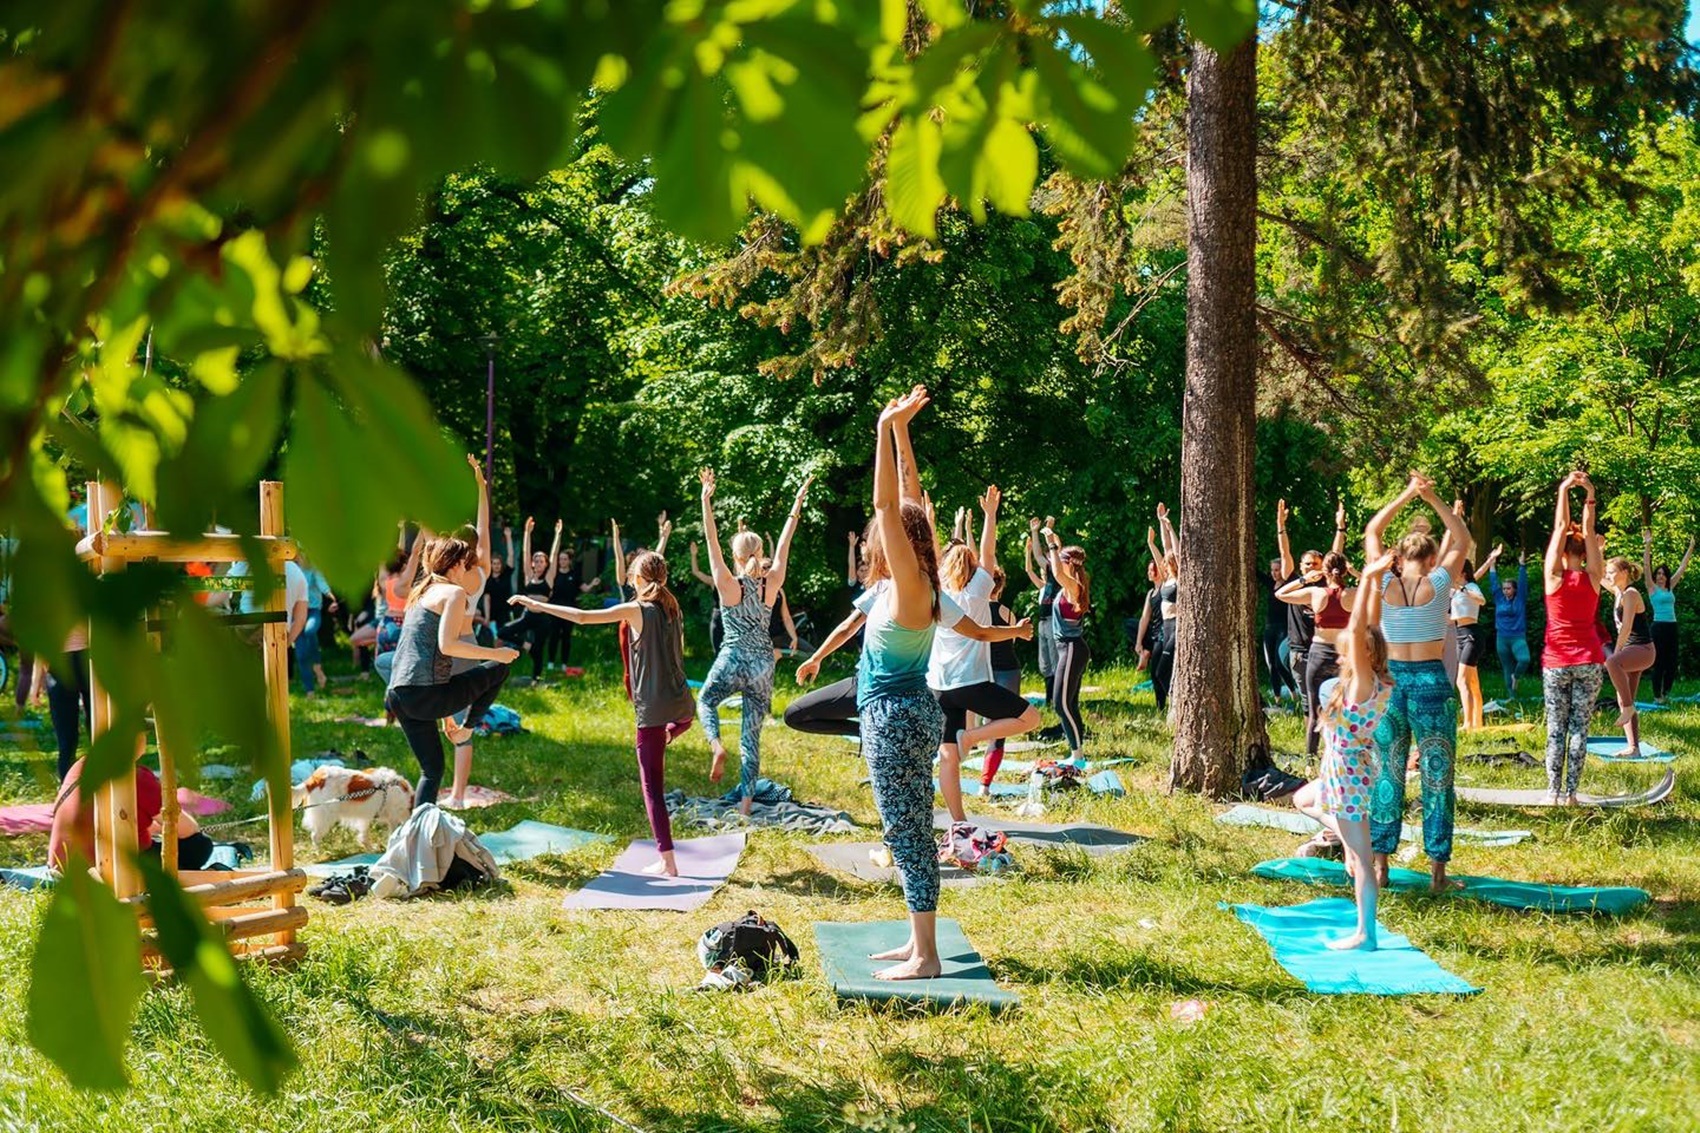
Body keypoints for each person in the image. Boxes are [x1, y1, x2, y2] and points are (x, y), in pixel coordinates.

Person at [511, 551, 694, 875]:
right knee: (666, 744)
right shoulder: (672, 608)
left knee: (652, 786)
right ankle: (672, 731)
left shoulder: (637, 610)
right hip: (681, 706)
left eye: (632, 574)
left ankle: (668, 862)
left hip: (653, 711)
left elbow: (583, 617)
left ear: (639, 579)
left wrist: (539, 606)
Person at [858, 386, 953, 981]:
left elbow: (893, 508)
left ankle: (927, 956)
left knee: (907, 831)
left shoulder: (913, 584)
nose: (878, 535)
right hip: (909, 712)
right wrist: (901, 432)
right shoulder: (920, 577)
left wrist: (880, 428)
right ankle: (917, 942)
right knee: (912, 826)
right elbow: (912, 502)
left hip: (895, 718)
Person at [1363, 471, 1471, 892]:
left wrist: (1407, 494)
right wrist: (1432, 497)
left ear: (1399, 557)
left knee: (1387, 772)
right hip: (1429, 683)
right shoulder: (1439, 583)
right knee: (1437, 776)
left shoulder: (1385, 581)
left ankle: (1381, 866)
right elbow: (1459, 538)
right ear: (1430, 559)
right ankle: (1438, 873)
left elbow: (1374, 529)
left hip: (1390, 684)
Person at [1291, 547, 1396, 950]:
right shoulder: (1365, 681)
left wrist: (1368, 577)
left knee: (1361, 864)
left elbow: (1358, 629)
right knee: (1303, 798)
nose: (1344, 644)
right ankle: (1347, 841)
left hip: (1349, 774)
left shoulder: (1362, 685)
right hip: (1340, 770)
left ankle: (1365, 934)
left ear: (1365, 654)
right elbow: (1365, 627)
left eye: (1352, 645)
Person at [696, 469, 811, 814]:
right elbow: (788, 538)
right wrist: (797, 502)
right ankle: (746, 807)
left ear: (735, 556)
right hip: (763, 663)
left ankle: (716, 746)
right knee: (751, 737)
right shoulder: (771, 582)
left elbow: (711, 539)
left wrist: (706, 499)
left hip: (733, 657)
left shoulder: (727, 583)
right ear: (761, 552)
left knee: (705, 701)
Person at [383, 535, 517, 808]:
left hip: (399, 697)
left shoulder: (422, 592)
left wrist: (445, 716)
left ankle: (418, 838)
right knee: (499, 668)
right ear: (456, 565)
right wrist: (495, 654)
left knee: (431, 772)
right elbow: (449, 646)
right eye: (468, 566)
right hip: (424, 694)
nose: (471, 573)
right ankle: (468, 729)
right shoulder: (453, 593)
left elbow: (428, 656)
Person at [931, 485, 1038, 822]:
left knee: (948, 756)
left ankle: (959, 822)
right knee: (1030, 718)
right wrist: (991, 516)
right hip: (970, 682)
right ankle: (973, 736)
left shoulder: (937, 593)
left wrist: (930, 522)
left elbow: (930, 557)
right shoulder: (978, 591)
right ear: (973, 569)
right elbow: (989, 553)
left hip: (936, 684)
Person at [1541, 471, 1606, 803]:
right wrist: (1589, 495)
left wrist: (1564, 489)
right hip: (1590, 661)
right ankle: (1572, 793)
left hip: (1556, 663)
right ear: (1585, 551)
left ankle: (1552, 794)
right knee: (1580, 729)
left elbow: (1558, 527)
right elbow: (1590, 530)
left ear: (1563, 550)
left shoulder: (1553, 577)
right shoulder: (1595, 578)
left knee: (1557, 729)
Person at [49, 754, 214, 873]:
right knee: (199, 846)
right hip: (106, 870)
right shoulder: (135, 776)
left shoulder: (82, 764)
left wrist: (154, 828)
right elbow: (188, 829)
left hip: (61, 865)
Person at [1276, 550, 1356, 768]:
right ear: (1343, 570)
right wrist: (1355, 572)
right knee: (1345, 708)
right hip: (1343, 655)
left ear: (1325, 571)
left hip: (1319, 654)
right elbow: (1378, 591)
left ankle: (1310, 760)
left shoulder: (1316, 593)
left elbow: (1280, 594)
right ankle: (1344, 757)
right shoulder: (1353, 593)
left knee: (1314, 710)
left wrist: (1303, 579)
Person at [1043, 530, 1091, 764]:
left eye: (1061, 558)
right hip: (1070, 649)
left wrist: (1053, 546)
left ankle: (1077, 754)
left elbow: (1056, 571)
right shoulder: (1069, 585)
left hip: (1072, 648)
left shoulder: (1073, 586)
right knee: (1069, 703)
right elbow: (1057, 568)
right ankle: (1077, 750)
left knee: (1060, 704)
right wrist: (1053, 543)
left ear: (1068, 564)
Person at [1603, 557, 1656, 757]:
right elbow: (1598, 575)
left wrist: (1617, 653)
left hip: (1643, 650)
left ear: (1624, 572)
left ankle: (1627, 708)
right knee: (1625, 696)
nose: (1608, 575)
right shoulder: (1619, 592)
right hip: (1632, 651)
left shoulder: (1631, 594)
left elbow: (1625, 628)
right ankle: (1634, 748)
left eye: (1612, 572)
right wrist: (1599, 551)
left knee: (1612, 663)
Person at [498, 517, 561, 683]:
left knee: (538, 651)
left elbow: (554, 555)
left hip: (542, 619)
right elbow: (526, 553)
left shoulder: (549, 578)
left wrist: (558, 534)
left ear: (546, 564)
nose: (538, 563)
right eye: (536, 561)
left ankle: (536, 679)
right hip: (527, 616)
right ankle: (526, 645)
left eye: (541, 561)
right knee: (503, 631)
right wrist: (527, 532)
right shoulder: (528, 576)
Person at [1642, 528, 1694, 701]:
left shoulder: (1670, 586)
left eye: (1664, 574)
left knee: (1671, 663)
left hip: (1672, 627)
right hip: (1658, 628)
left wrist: (1691, 546)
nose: (1661, 576)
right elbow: (1646, 566)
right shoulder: (1652, 588)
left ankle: (1666, 693)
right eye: (1659, 573)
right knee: (1659, 662)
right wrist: (1648, 544)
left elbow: (1683, 566)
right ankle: (1657, 696)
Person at [1452, 550, 1496, 731]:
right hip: (1460, 635)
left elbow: (1482, 600)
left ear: (1462, 572)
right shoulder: (1455, 590)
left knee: (1461, 681)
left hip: (1472, 635)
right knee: (1472, 682)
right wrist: (1489, 560)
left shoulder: (1470, 587)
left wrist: (1463, 588)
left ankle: (1468, 724)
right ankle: (1478, 721)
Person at [45, 625, 91, 780]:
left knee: (97, 732)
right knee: (67, 741)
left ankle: (102, 790)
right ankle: (68, 792)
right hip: (62, 661)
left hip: (88, 657)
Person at [1486, 546, 1530, 698]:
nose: (1505, 591)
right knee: (1507, 667)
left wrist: (1522, 565)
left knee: (1524, 659)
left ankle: (1516, 678)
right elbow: (1493, 582)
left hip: (1517, 636)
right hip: (1502, 638)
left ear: (1515, 590)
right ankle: (1512, 697)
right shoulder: (1499, 598)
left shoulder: (1520, 598)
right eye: (1504, 588)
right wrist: (1492, 563)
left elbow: (1523, 582)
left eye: (1508, 588)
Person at [1260, 557, 1299, 704]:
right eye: (1272, 570)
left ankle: (1293, 692)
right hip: (1269, 628)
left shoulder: (1290, 585)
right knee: (1271, 665)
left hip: (1284, 628)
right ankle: (1277, 699)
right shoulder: (1271, 584)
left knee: (1279, 663)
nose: (1274, 573)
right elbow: (1257, 573)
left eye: (1277, 570)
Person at [296, 555, 334, 696]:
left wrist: (332, 598)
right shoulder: (289, 569)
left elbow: (323, 585)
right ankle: (309, 691)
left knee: (310, 630)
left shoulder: (313, 569)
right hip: (295, 613)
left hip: (312, 610)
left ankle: (317, 667)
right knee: (301, 655)